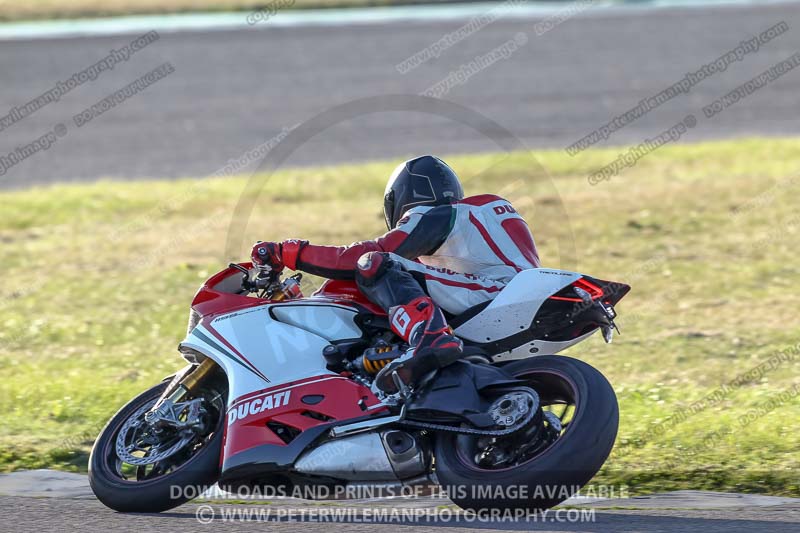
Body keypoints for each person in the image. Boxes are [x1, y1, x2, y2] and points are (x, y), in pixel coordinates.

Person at [250, 155, 540, 392]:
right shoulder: (478, 220)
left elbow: (361, 256)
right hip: (508, 301)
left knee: (372, 262)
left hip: (493, 293)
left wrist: (287, 251)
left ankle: (430, 339)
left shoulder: (441, 213)